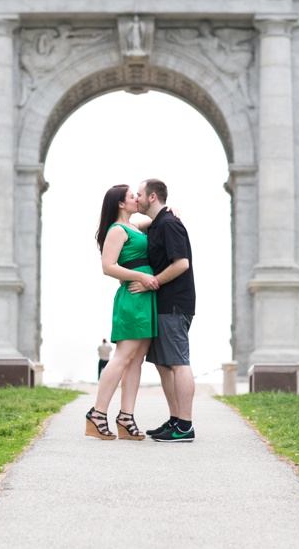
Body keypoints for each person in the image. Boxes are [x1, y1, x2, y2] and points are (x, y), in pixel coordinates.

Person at [85, 184, 159, 441]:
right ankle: (97, 414)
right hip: (133, 298)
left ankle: (126, 417)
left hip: (146, 296)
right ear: (120, 203)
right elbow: (108, 266)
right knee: (123, 357)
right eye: (132, 196)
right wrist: (140, 276)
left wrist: (171, 209)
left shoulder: (135, 227)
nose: (136, 198)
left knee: (136, 360)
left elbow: (158, 218)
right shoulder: (116, 230)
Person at [132, 178, 197, 443]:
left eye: (139, 194)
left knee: (178, 363)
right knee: (162, 363)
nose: (135, 198)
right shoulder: (159, 223)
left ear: (152, 197)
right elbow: (134, 225)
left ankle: (185, 426)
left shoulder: (170, 224)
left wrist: (152, 282)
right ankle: (175, 419)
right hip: (162, 304)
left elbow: (181, 263)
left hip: (174, 303)